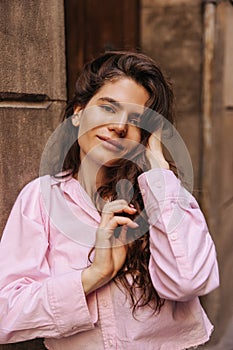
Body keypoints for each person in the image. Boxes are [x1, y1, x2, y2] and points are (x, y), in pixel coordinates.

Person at [0, 51, 219, 350]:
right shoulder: (41, 198)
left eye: (136, 119)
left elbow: (189, 282)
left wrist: (158, 171)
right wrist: (93, 275)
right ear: (77, 113)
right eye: (107, 108)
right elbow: (6, 313)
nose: (119, 125)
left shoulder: (164, 194)